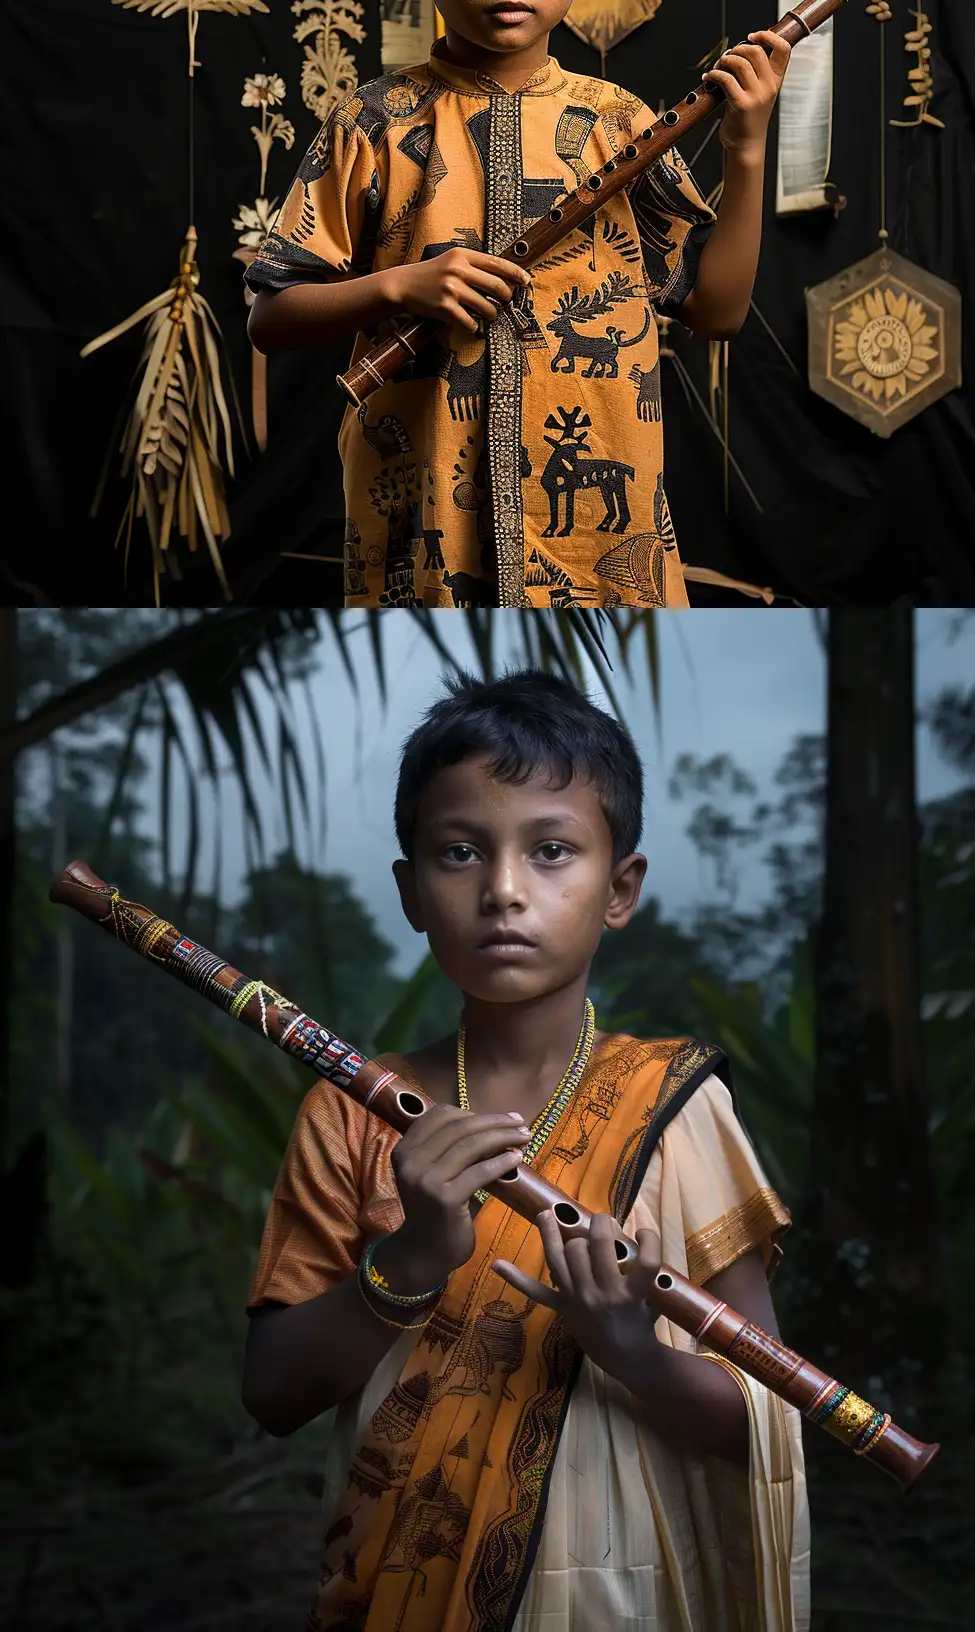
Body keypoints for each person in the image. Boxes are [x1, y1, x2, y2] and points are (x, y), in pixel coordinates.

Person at [241, 672, 808, 1628]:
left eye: (552, 851)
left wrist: (633, 1349)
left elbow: (763, 1420)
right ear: (412, 891)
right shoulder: (352, 1113)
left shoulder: (680, 1108)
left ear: (619, 888)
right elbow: (273, 1394)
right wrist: (412, 1259)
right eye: (460, 853)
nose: (504, 891)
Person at [246, 0, 788, 609]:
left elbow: (717, 312)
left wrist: (746, 149)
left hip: (605, 547)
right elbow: (271, 317)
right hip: (417, 522)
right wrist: (401, 288)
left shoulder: (619, 123)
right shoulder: (372, 121)